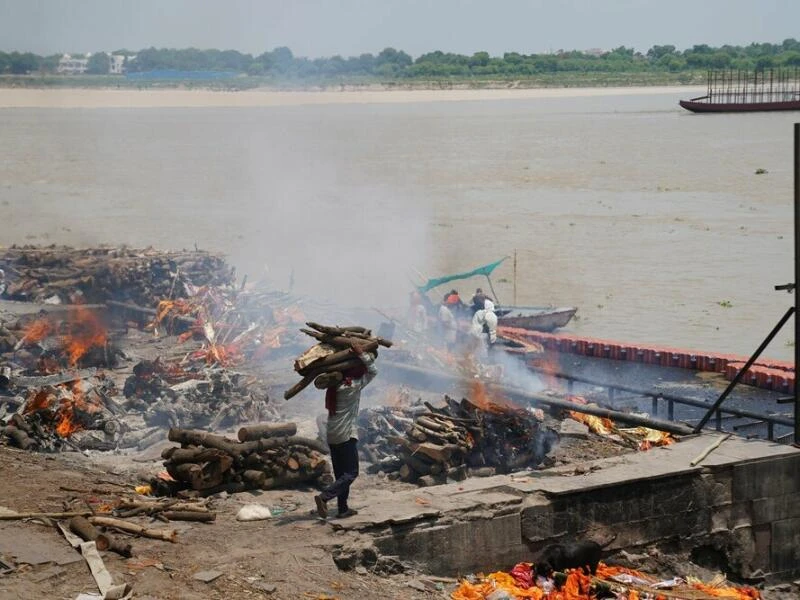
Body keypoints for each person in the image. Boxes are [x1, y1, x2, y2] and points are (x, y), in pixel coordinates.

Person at [314, 341, 377, 519]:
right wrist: (361, 354)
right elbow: (373, 370)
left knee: (341, 474)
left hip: (332, 435)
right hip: (346, 435)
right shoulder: (352, 386)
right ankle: (324, 497)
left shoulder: (334, 387)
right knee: (351, 473)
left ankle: (343, 509)